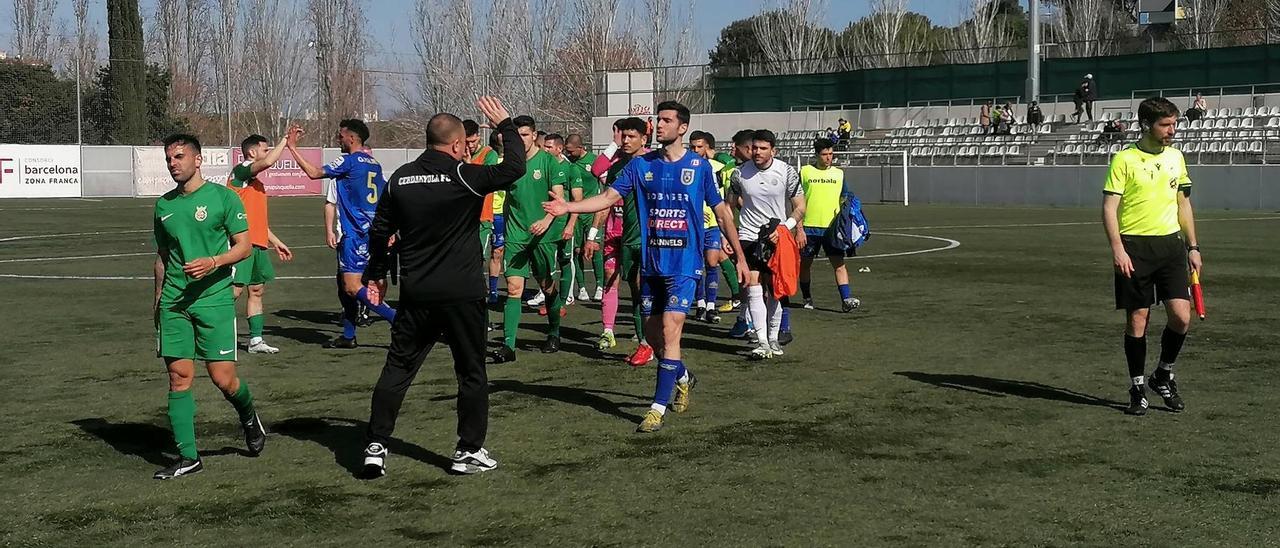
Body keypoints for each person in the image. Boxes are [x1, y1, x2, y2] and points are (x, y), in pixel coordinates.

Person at [543, 100, 749, 433]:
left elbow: (723, 212)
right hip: (652, 264)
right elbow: (609, 198)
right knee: (653, 335)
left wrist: (739, 255)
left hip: (684, 264)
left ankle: (656, 407)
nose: (661, 124)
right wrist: (569, 207)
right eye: (659, 119)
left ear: (682, 127)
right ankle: (682, 376)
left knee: (670, 329)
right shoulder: (640, 167)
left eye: (667, 120)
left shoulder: (699, 168)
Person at [358, 96, 525, 478]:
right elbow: (514, 166)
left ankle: (375, 444)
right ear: (455, 145)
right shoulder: (465, 174)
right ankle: (468, 451)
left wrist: (377, 274)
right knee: (471, 372)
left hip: (416, 293)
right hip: (462, 294)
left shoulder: (400, 177)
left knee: (397, 369)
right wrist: (505, 125)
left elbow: (380, 230)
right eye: (464, 144)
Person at [151, 134, 263, 479]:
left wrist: (214, 262)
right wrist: (157, 300)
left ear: (198, 160)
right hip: (174, 302)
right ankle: (189, 457)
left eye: (180, 157)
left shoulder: (223, 198)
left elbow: (244, 247)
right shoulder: (163, 206)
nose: (174, 164)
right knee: (178, 377)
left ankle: (248, 416)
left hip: (213, 299)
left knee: (223, 379)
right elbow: (162, 257)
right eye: (169, 159)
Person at [1102, 96, 1201, 416]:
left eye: (1174, 123)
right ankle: (1137, 387)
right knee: (1138, 320)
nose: (1172, 130)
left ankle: (1163, 374)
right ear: (1147, 125)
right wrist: (1117, 248)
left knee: (1182, 317)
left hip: (1171, 247)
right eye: (1165, 124)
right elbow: (1109, 208)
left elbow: (1183, 204)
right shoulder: (1124, 160)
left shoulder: (1176, 157)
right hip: (1135, 249)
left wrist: (1193, 247)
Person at [290, 119, 397, 348]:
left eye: (341, 136)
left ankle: (398, 320)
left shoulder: (348, 161)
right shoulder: (374, 163)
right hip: (372, 231)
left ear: (352, 138)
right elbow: (384, 197)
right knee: (343, 286)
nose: (338, 139)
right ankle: (348, 336)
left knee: (351, 285)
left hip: (356, 233)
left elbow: (314, 173)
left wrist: (292, 148)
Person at [489, 115, 570, 363]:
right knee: (514, 289)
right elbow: (505, 200)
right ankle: (509, 346)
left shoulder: (549, 163)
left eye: (525, 135)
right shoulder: (509, 165)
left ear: (534, 135)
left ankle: (554, 332)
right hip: (516, 235)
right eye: (516, 135)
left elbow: (559, 201)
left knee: (547, 287)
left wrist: (546, 222)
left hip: (544, 236)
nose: (520, 140)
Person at [729, 129, 806, 360]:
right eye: (754, 148)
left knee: (775, 288)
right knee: (753, 283)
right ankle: (761, 340)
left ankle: (773, 337)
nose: (757, 152)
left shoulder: (787, 172)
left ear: (774, 150)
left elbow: (801, 206)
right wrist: (726, 236)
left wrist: (785, 227)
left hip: (778, 237)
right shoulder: (738, 174)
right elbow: (728, 206)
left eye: (763, 148)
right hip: (749, 235)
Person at [586, 117, 653, 365]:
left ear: (644, 138)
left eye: (630, 136)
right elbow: (605, 197)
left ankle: (652, 343)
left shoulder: (654, 163)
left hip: (651, 239)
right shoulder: (617, 168)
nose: (625, 140)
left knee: (649, 292)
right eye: (622, 136)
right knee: (636, 291)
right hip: (624, 238)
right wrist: (593, 235)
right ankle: (644, 342)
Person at [228, 129, 299, 354]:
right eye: (264, 148)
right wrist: (286, 141)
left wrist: (276, 241)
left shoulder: (257, 184)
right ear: (251, 152)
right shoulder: (240, 172)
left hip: (258, 245)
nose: (267, 152)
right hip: (241, 245)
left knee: (256, 290)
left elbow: (259, 222)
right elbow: (268, 161)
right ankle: (210, 332)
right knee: (233, 291)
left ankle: (255, 341)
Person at [799, 138, 860, 313]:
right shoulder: (805, 172)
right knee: (805, 264)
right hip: (809, 227)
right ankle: (807, 297)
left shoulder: (839, 174)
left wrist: (848, 218)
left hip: (832, 229)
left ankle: (846, 299)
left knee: (839, 264)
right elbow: (796, 200)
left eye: (831, 154)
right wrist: (799, 227)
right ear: (817, 154)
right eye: (824, 154)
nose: (828, 158)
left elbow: (846, 197)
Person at [688, 130, 732, 323]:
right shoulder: (686, 166)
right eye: (693, 147)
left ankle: (712, 307)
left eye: (700, 146)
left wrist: (715, 155)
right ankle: (701, 304)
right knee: (697, 267)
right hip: (693, 226)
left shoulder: (717, 166)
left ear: (707, 147)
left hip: (713, 224)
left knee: (712, 264)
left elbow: (732, 162)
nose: (696, 150)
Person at [540, 133, 579, 312]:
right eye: (544, 146)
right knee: (546, 263)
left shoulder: (571, 169)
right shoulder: (543, 166)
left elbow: (577, 201)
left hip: (563, 222)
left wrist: (570, 224)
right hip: (546, 222)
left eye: (549, 147)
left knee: (565, 260)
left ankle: (564, 300)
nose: (545, 149)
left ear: (559, 149)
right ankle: (551, 301)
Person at [564, 133, 605, 303]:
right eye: (567, 151)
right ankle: (581, 287)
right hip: (575, 213)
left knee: (594, 249)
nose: (569, 154)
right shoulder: (567, 163)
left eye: (571, 151)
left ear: (580, 148)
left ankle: (600, 286)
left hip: (592, 212)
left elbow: (604, 183)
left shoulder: (593, 160)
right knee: (577, 251)